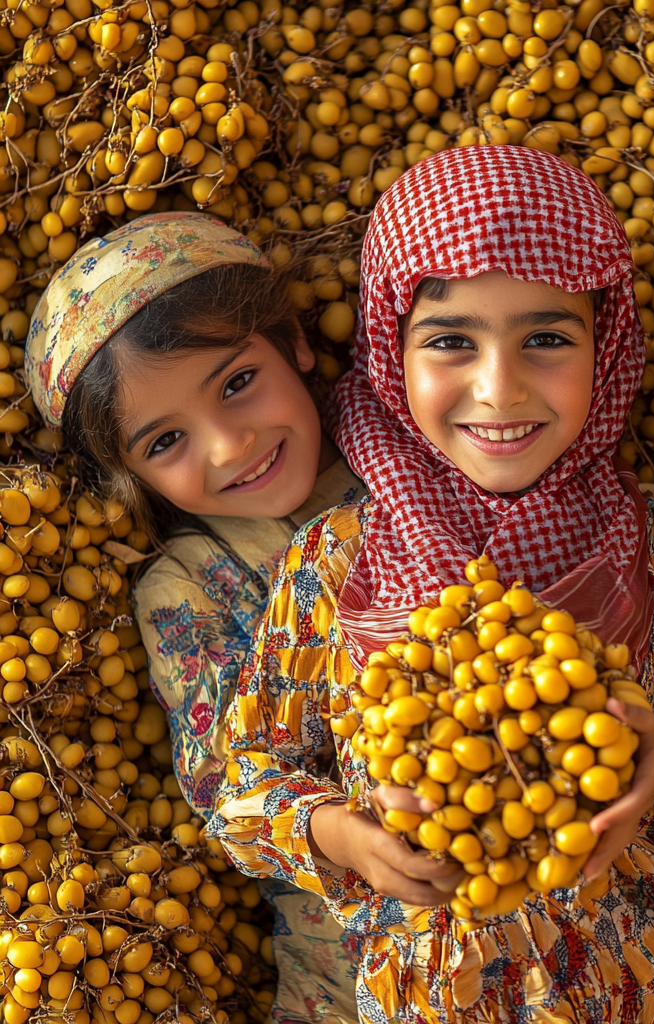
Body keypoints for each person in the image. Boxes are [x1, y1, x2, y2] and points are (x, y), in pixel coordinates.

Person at [209, 145, 654, 1024]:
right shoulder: (337, 561)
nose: (499, 388)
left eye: (547, 339)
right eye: (452, 341)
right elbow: (243, 784)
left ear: (605, 352)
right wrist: (347, 837)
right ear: (389, 348)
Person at [25, 212, 365, 1024]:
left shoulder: (411, 453)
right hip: (349, 969)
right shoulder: (187, 587)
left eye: (238, 383)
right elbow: (223, 787)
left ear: (295, 342)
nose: (228, 446)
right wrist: (344, 838)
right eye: (168, 440)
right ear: (129, 474)